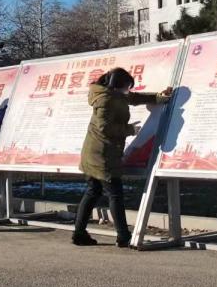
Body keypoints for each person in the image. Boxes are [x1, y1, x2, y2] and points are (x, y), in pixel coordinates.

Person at [73, 67, 173, 248]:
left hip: (95, 152)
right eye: (126, 86)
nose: (128, 90)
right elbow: (104, 127)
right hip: (103, 155)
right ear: (117, 85)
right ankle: (123, 236)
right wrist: (130, 130)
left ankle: (79, 233)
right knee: (115, 194)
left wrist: (158, 97)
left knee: (93, 192)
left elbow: (133, 98)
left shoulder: (112, 94)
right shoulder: (106, 100)